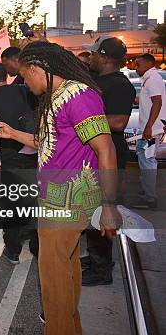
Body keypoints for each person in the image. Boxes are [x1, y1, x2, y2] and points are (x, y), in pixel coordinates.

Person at [0, 41, 122, 335]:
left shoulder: (79, 96)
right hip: (57, 198)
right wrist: (13, 133)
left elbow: (106, 151)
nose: (26, 84)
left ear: (41, 68)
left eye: (26, 76)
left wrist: (109, 205)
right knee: (65, 272)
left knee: (53, 278)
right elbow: (50, 145)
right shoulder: (59, 96)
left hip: (69, 199)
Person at [84, 36, 135, 286]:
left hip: (110, 155)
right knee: (90, 211)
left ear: (104, 58)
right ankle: (96, 259)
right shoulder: (97, 79)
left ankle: (102, 269)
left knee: (102, 210)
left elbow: (119, 122)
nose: (90, 57)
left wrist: (83, 120)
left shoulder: (119, 85)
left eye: (94, 54)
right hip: (94, 155)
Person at [0, 62, 38, 264]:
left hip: (10, 156)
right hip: (35, 152)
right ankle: (37, 246)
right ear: (7, 75)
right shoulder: (24, 90)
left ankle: (13, 250)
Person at [132, 53, 165, 209]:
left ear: (148, 63)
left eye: (138, 64)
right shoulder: (150, 79)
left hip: (151, 130)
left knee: (147, 161)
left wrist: (149, 126)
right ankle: (147, 193)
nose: (135, 67)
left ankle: (150, 199)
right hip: (150, 129)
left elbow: (157, 103)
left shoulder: (152, 79)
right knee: (144, 160)